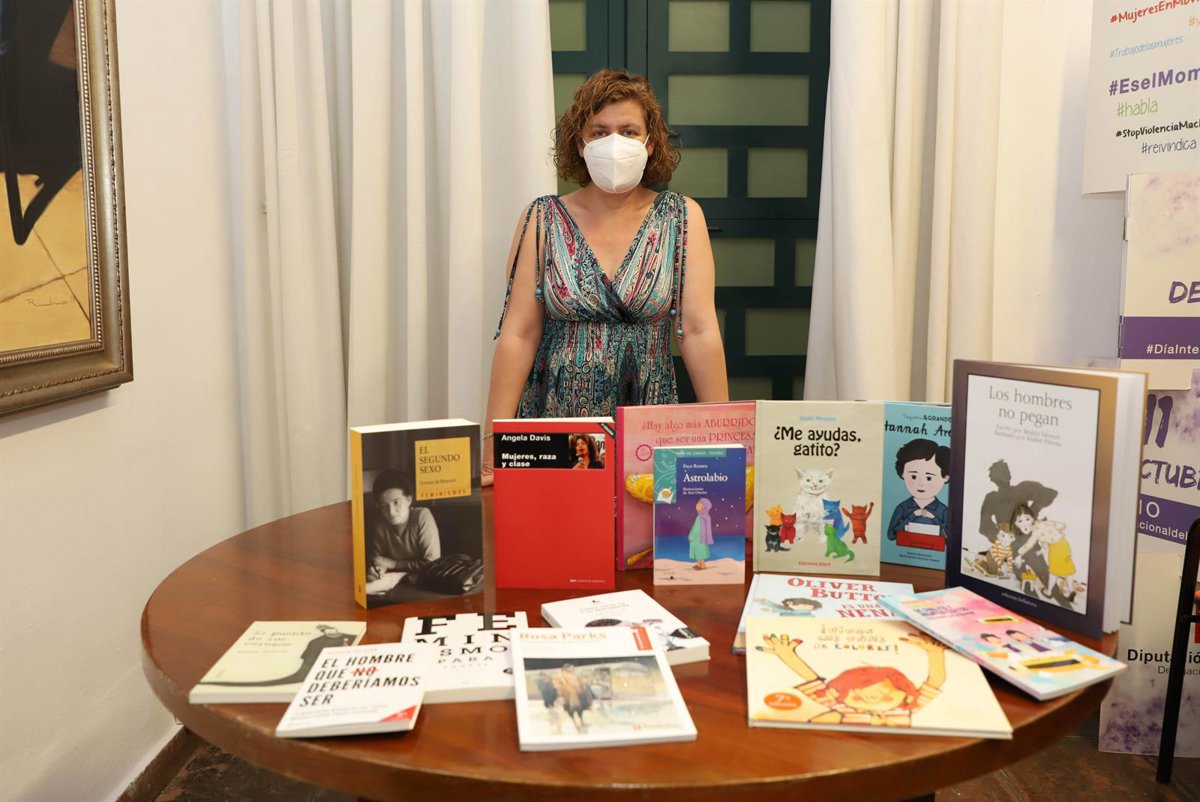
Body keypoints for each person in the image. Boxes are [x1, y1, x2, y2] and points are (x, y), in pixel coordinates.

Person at [483, 69, 728, 482]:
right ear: (580, 145)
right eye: (599, 132)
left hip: (646, 424)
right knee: (558, 523)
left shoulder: (681, 217)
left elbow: (699, 331)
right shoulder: (541, 219)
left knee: (643, 521)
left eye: (629, 131)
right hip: (557, 426)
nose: (614, 142)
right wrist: (494, 442)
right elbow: (518, 334)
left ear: (650, 143)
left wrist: (725, 437)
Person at [366, 469, 440, 580]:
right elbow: (377, 559)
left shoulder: (422, 516)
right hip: (395, 581)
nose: (391, 512)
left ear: (409, 500)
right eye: (384, 506)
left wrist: (394, 564)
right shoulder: (380, 522)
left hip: (424, 580)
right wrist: (377, 569)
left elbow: (432, 563)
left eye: (396, 502)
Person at [885, 439, 950, 542]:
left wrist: (932, 517)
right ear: (903, 474)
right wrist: (913, 515)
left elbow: (950, 537)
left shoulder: (943, 510)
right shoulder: (902, 507)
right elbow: (891, 535)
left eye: (929, 478)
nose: (920, 483)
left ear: (946, 477)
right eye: (913, 476)